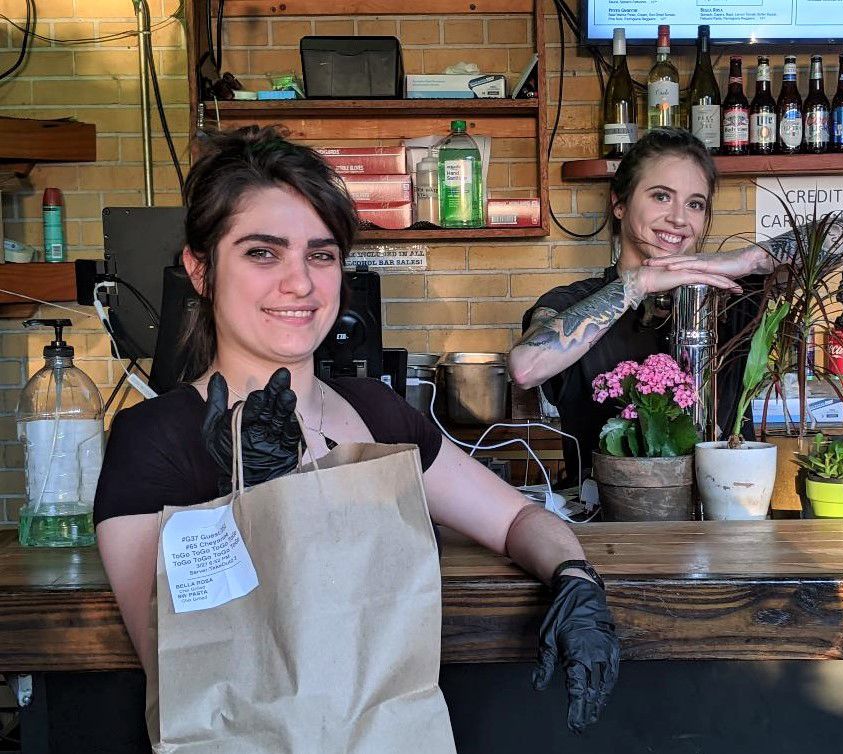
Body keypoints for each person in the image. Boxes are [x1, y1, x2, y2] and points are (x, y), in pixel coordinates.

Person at [92, 126, 619, 745]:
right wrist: (253, 502)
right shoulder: (151, 440)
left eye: (321, 254)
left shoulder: (378, 414)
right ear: (200, 269)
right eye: (262, 253)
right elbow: (175, 661)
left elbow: (515, 520)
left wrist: (575, 579)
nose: (300, 283)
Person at [509, 127, 843, 485]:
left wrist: (747, 261)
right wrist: (640, 283)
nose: (680, 219)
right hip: (607, 526)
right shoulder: (572, 302)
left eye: (695, 204)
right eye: (661, 197)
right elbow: (526, 367)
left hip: (727, 519)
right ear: (618, 204)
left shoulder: (737, 293)